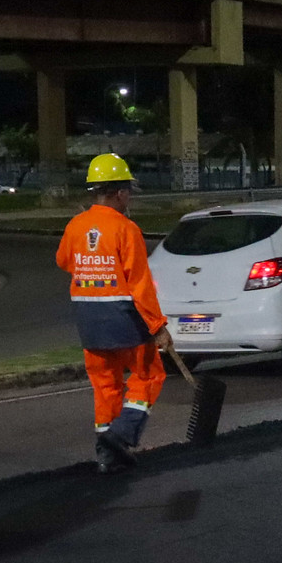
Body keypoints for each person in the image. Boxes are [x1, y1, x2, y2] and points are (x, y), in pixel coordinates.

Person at [56, 153, 167, 470]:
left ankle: (107, 456)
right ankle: (122, 433)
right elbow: (140, 284)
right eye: (128, 191)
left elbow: (64, 262)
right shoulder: (126, 229)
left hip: (88, 321)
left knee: (105, 386)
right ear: (120, 192)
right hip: (124, 319)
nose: (129, 197)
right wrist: (158, 326)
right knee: (149, 374)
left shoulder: (76, 225)